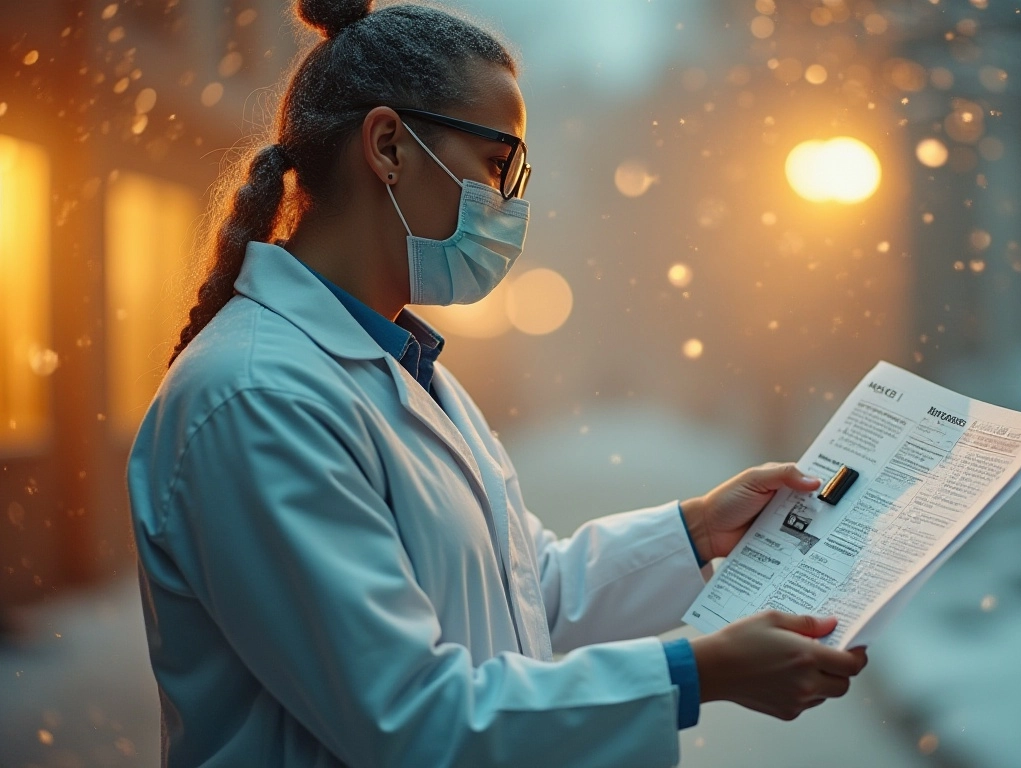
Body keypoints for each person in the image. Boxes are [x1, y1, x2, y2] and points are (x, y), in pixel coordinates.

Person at [126, 1, 868, 765]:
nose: (510, 203)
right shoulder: (259, 399)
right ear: (388, 145)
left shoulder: (401, 366)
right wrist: (694, 673)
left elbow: (521, 596)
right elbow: (411, 716)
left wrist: (698, 530)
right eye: (497, 164)